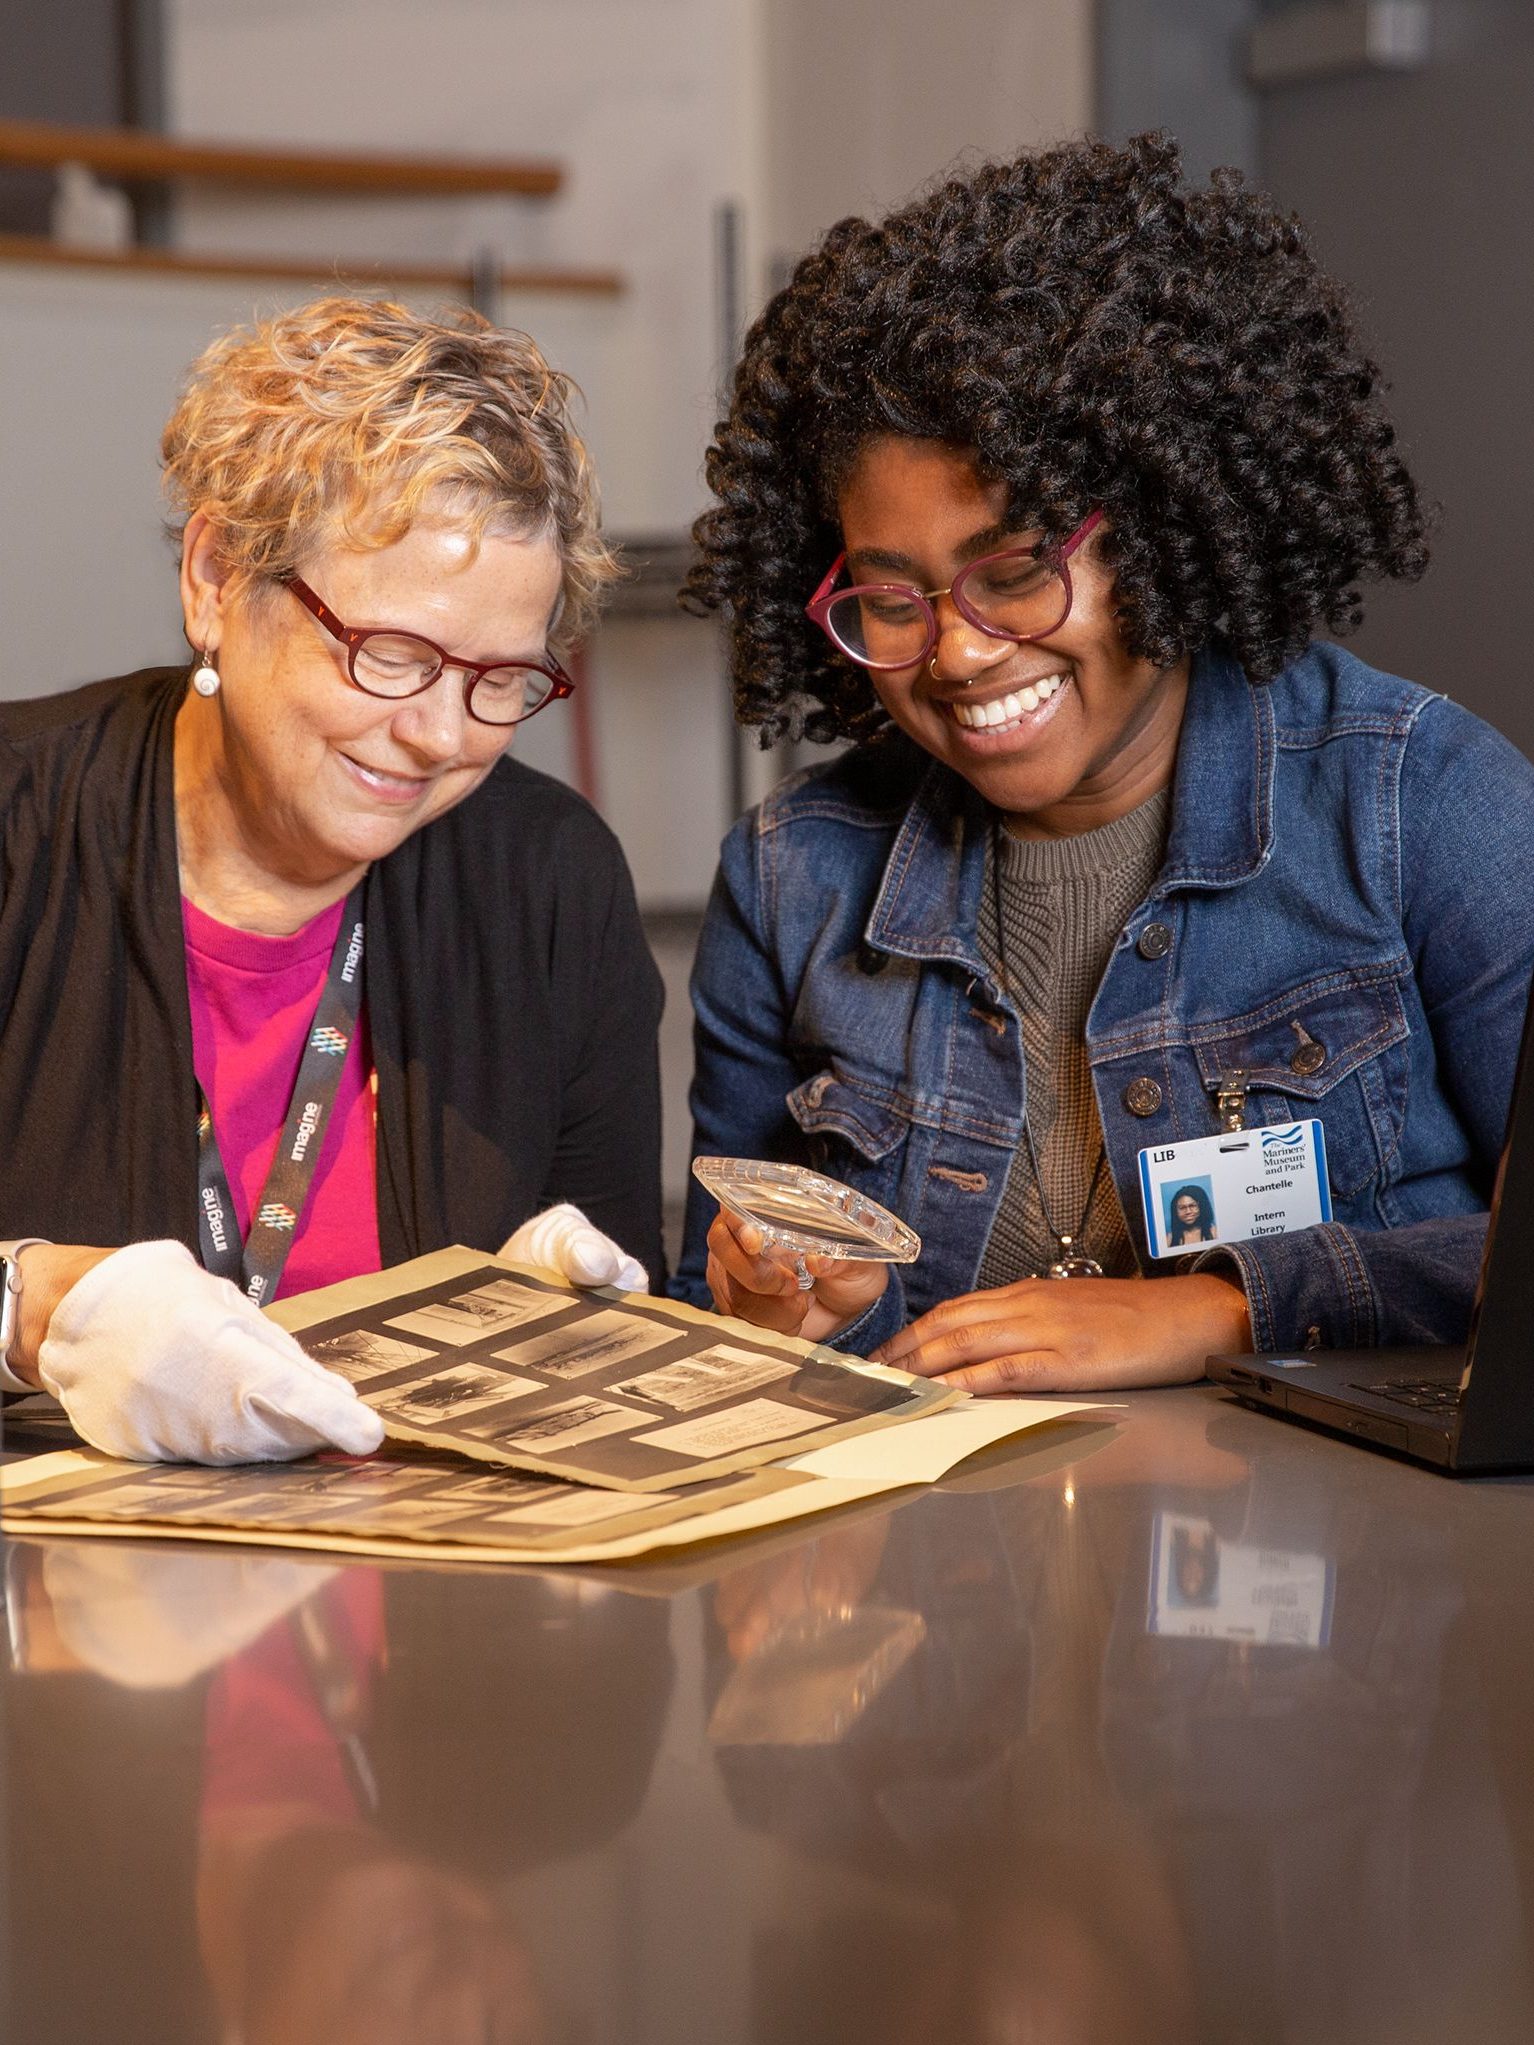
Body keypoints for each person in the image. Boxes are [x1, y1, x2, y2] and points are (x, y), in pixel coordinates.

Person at [676, 132, 1534, 1394]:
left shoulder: (1423, 803)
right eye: (889, 596)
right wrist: (790, 1310)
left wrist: (1221, 1310)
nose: (959, 652)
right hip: (941, 1575)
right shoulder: (793, 877)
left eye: (1016, 568)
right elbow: (719, 1328)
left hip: (1353, 1574)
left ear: (1172, 517)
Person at [0, 296, 660, 1462]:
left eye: (501, 678)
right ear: (216, 577)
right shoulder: (17, 827)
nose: (440, 735)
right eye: (390, 654)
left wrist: (567, 1345)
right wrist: (29, 1309)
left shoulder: (548, 881)